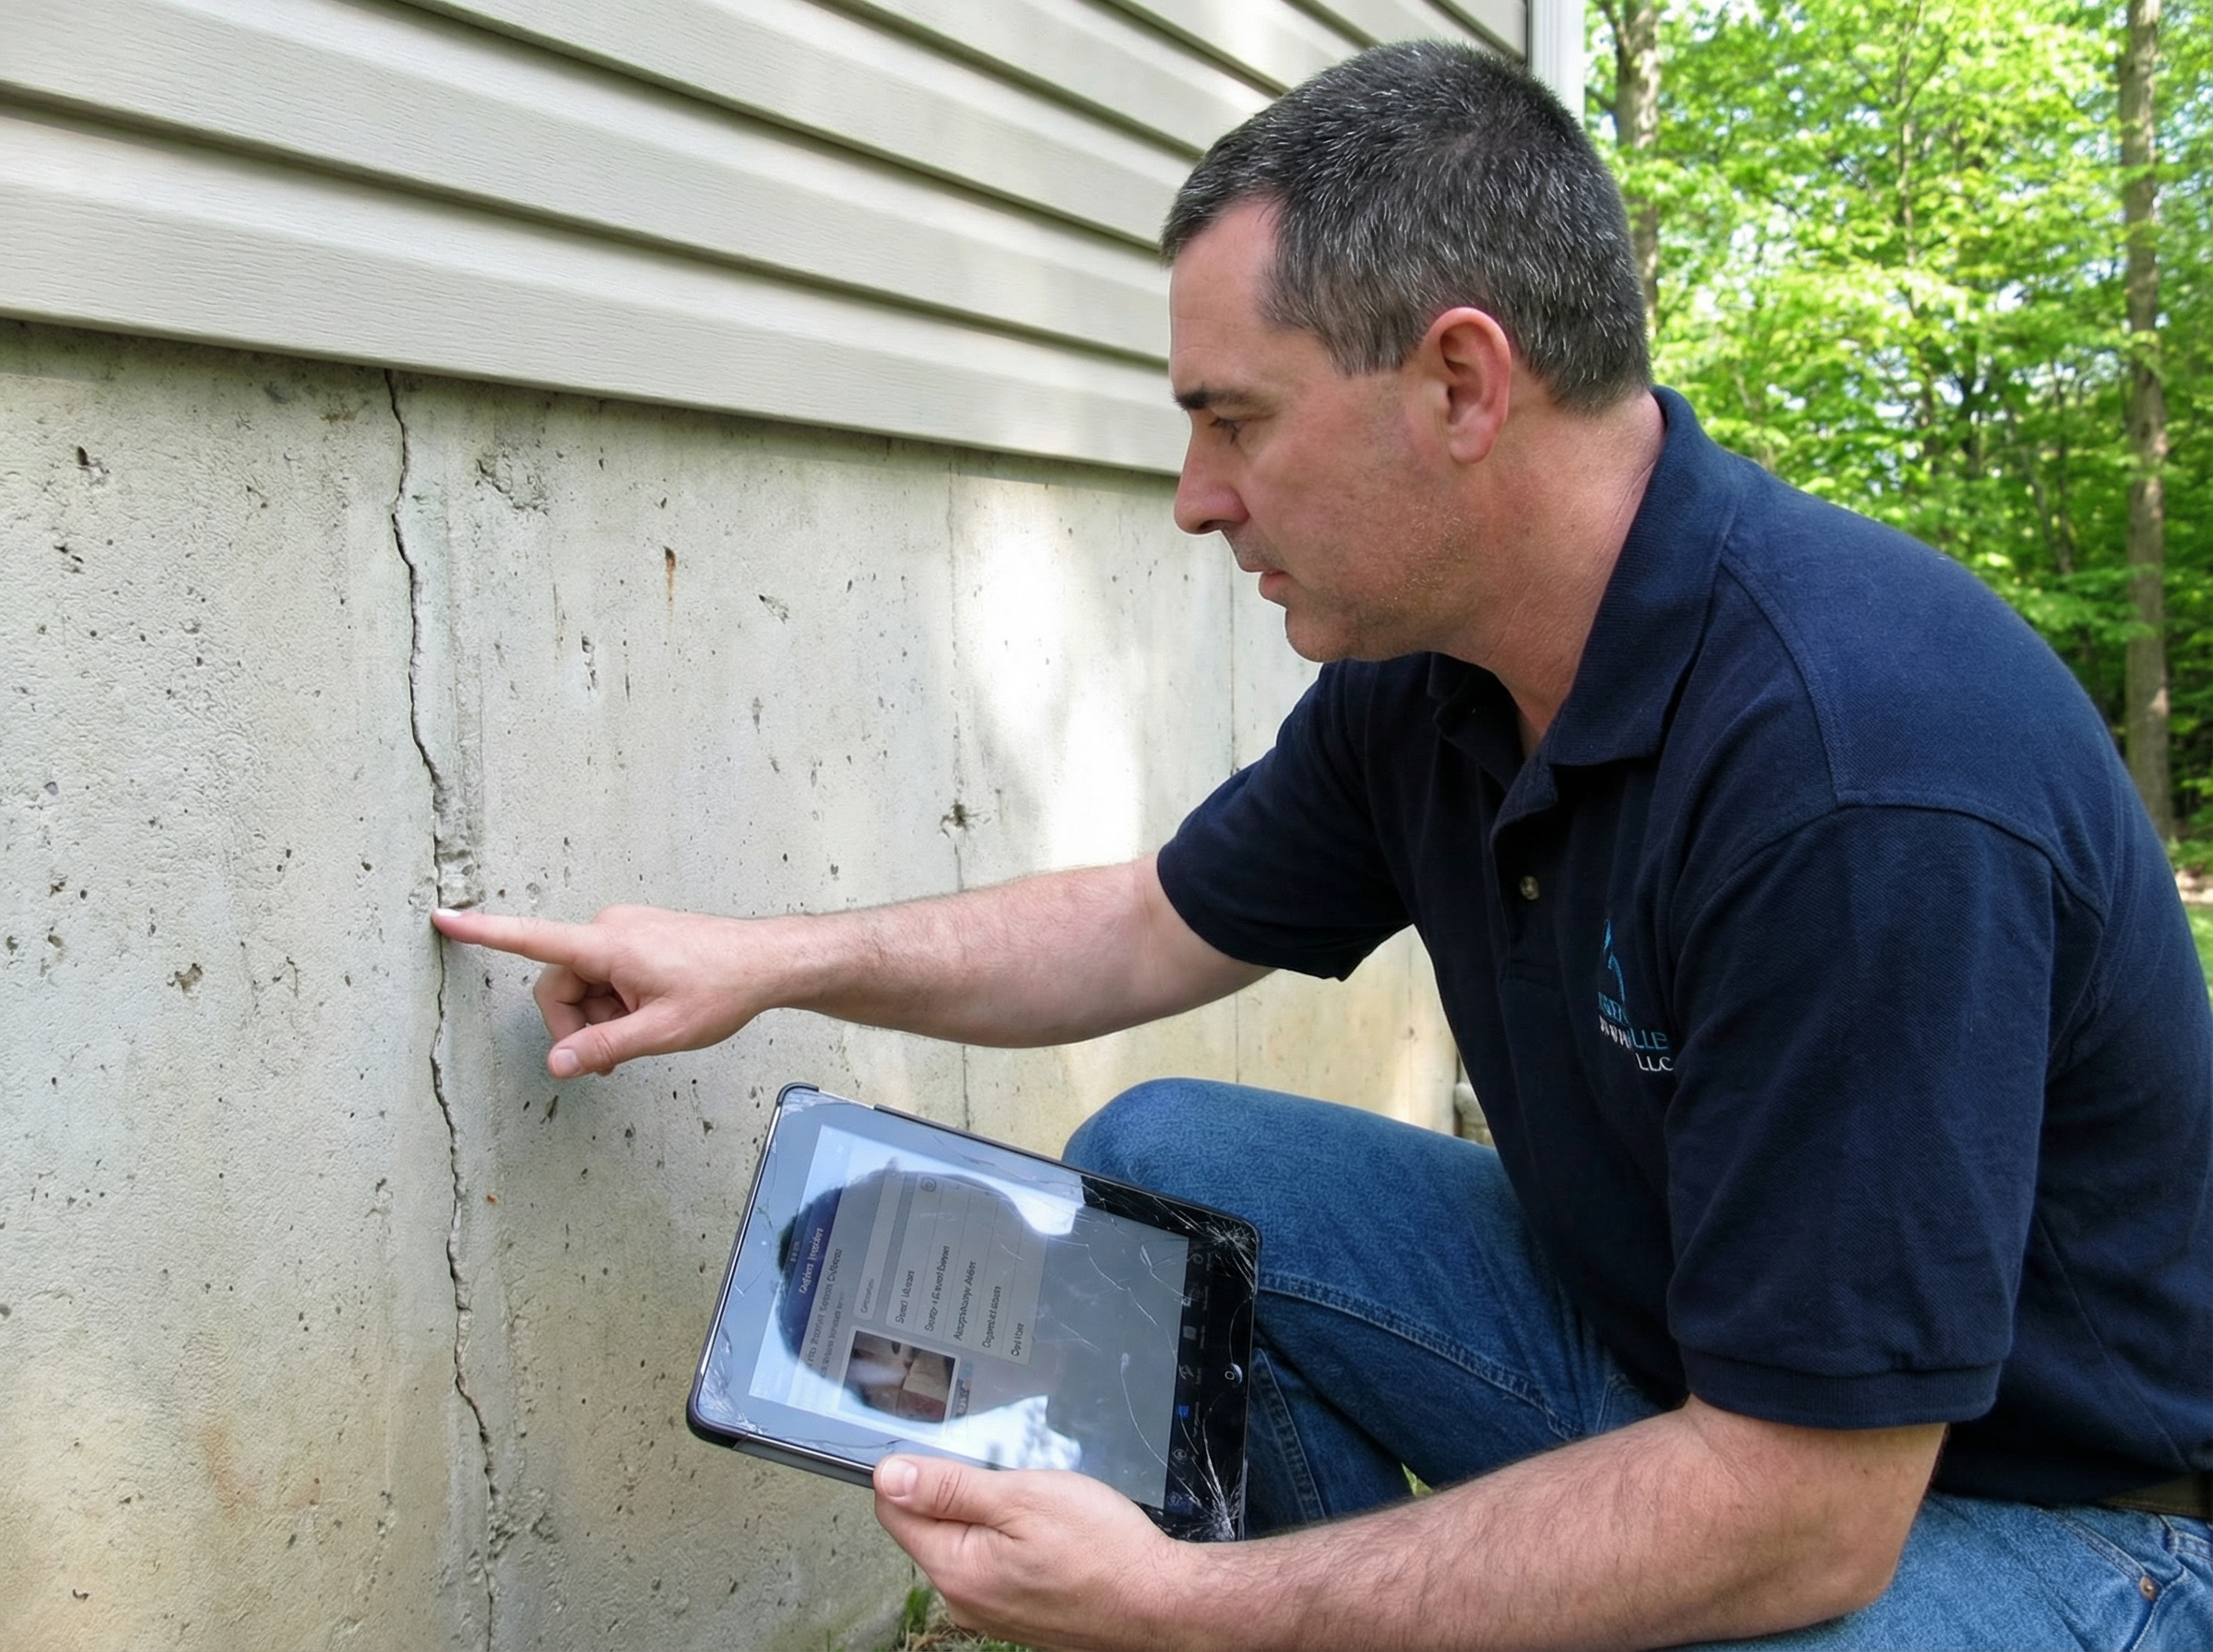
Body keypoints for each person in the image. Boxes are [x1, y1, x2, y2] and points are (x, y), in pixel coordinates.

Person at [434, 41, 2213, 1651]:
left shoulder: (1855, 777)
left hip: (2048, 1524)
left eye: (1235, 419)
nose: (1199, 495)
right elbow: (1146, 924)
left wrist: (1194, 1606)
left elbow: (1808, 1517)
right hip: (1692, 1373)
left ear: (1458, 385)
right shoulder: (1435, 671)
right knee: (1176, 1170)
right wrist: (768, 963)